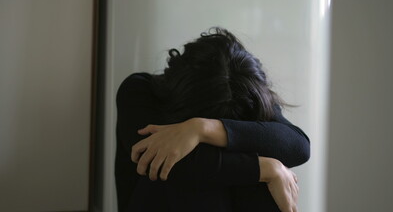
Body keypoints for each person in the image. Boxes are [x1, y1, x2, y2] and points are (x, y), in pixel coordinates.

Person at [115, 28, 310, 212]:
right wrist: (265, 168)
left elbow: (299, 146)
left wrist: (202, 129)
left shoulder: (244, 95)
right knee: (185, 171)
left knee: (262, 184)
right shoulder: (139, 91)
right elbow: (172, 165)